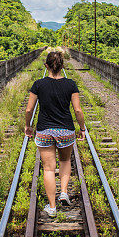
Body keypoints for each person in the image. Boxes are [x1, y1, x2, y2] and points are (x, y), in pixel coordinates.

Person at [24, 50, 87, 217]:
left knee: (49, 169)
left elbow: (29, 109)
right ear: (62, 66)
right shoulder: (71, 84)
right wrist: (82, 128)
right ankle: (64, 192)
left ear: (46, 66)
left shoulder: (38, 84)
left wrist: (28, 126)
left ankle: (52, 207)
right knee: (65, 160)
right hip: (66, 130)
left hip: (44, 130)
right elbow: (78, 110)